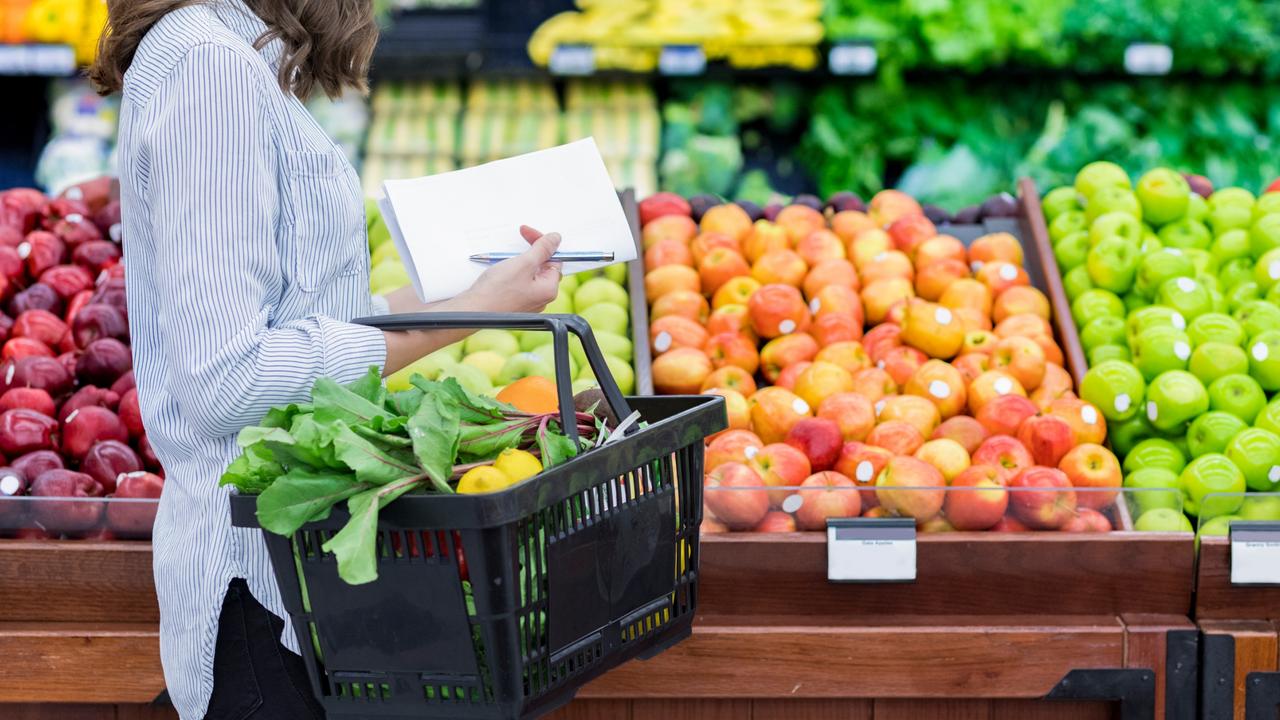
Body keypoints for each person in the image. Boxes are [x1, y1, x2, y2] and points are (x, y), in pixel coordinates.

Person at [89, 2, 562, 717]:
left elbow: (298, 323)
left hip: (299, 585)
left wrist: (473, 298)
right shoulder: (209, 67)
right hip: (259, 590)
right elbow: (229, 378)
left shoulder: (223, 52)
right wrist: (459, 321)